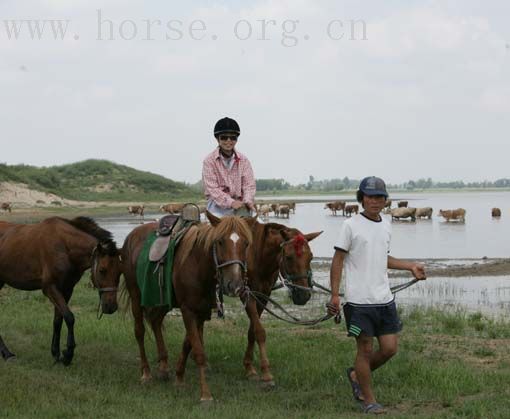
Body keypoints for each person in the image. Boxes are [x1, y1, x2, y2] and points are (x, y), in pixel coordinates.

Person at [328, 176, 426, 414]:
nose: (375, 201)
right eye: (370, 196)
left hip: (384, 299)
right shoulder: (350, 225)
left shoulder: (386, 225)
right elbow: (338, 261)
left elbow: (384, 258)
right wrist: (334, 295)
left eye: (379, 197)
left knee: (390, 348)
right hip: (358, 303)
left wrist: (410, 266)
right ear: (361, 199)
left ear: (385, 201)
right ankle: (369, 401)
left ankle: (355, 374)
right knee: (365, 350)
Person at [202, 117, 256, 217]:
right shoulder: (209, 161)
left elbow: (249, 185)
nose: (228, 141)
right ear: (217, 139)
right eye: (224, 137)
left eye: (232, 138)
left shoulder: (244, 160)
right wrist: (231, 202)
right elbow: (213, 189)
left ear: (236, 139)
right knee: (215, 231)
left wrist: (247, 201)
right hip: (217, 208)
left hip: (241, 207)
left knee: (261, 228)